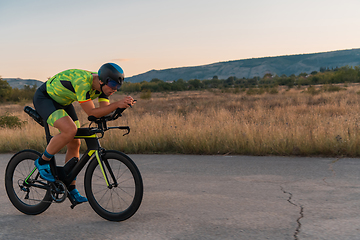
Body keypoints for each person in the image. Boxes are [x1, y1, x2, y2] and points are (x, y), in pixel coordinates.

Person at [33, 63, 135, 203]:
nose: (114, 89)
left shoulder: (103, 89)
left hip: (64, 101)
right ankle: (42, 161)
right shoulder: (83, 82)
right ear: (101, 80)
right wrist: (117, 104)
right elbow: (91, 113)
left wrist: (120, 108)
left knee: (75, 142)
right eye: (112, 84)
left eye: (118, 86)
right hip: (45, 98)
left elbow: (102, 112)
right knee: (70, 131)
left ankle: (71, 188)